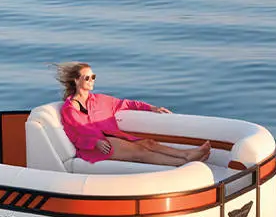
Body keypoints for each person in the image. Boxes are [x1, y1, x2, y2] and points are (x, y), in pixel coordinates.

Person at [56, 62, 210, 166]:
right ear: (76, 81)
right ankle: (183, 163)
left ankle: (187, 154)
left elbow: (126, 104)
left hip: (112, 137)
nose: (92, 80)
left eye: (93, 77)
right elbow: (74, 136)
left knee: (149, 143)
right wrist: (94, 142)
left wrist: (151, 108)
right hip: (96, 148)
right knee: (140, 152)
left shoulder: (100, 100)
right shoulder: (70, 109)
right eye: (87, 78)